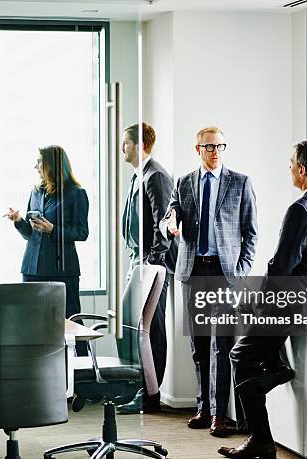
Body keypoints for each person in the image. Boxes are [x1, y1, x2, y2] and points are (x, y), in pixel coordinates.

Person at [218, 139, 307, 458]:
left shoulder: (301, 208)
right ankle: (272, 368)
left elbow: (280, 267)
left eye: (291, 163)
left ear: (302, 170)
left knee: (239, 355)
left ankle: (261, 430)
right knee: (253, 347)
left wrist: (259, 304)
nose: (289, 168)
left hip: (296, 305)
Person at [159, 126, 257, 437]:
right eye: (209, 147)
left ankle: (219, 413)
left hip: (224, 273)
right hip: (192, 272)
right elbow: (169, 217)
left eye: (220, 146)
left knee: (221, 345)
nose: (215, 152)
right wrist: (169, 223)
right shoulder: (185, 182)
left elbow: (251, 234)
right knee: (199, 345)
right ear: (197, 149)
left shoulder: (240, 182)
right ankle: (202, 407)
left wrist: (239, 272)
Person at [116, 122, 176, 415]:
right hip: (138, 260)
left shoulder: (157, 177)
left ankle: (150, 394)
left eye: (125, 143)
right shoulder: (138, 176)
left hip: (152, 264)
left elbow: (164, 223)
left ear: (140, 145)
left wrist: (153, 260)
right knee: (135, 327)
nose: (121, 149)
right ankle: (139, 388)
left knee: (151, 329)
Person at [6, 145, 89, 354]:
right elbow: (31, 234)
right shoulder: (36, 192)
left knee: (69, 324)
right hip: (32, 269)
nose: (35, 166)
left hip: (62, 270)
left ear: (52, 165)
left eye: (39, 162)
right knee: (31, 325)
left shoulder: (76, 193)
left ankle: (79, 375)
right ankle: (35, 375)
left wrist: (53, 229)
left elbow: (82, 232)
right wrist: (19, 221)